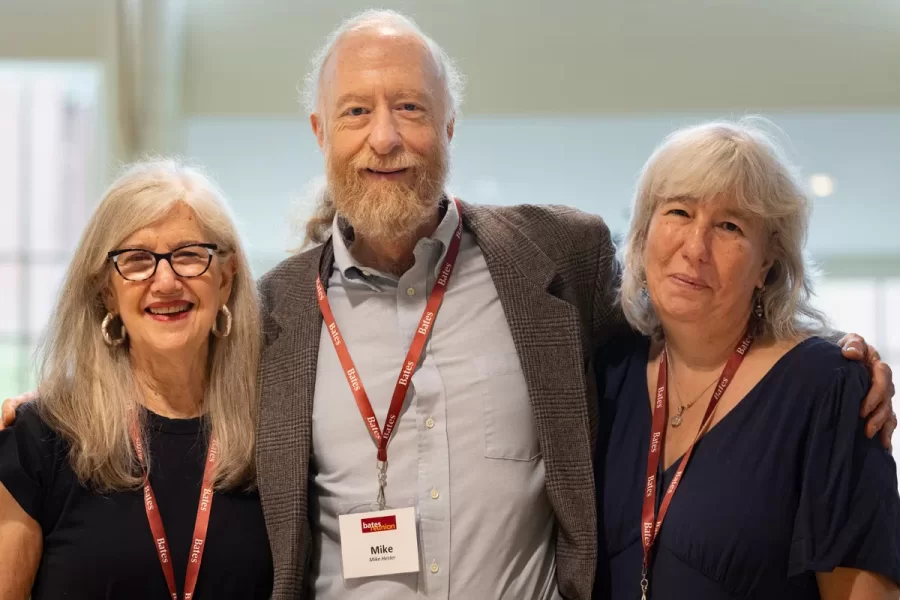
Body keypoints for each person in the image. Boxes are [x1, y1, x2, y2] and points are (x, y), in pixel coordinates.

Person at [1, 10, 896, 600]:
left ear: (450, 126)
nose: (385, 138)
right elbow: (175, 380)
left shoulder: (560, 261)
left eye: (410, 108)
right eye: (357, 112)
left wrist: (827, 359)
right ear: (320, 133)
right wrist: (40, 417)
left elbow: (687, 309)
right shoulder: (275, 314)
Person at [593, 120, 900, 600]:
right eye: (678, 211)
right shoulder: (606, 373)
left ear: (766, 265)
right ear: (644, 231)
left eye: (729, 226)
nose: (695, 248)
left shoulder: (827, 389)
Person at [0, 161, 273, 599]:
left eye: (189, 255)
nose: (165, 282)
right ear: (107, 290)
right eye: (137, 260)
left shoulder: (277, 434)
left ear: (225, 278)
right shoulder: (40, 439)